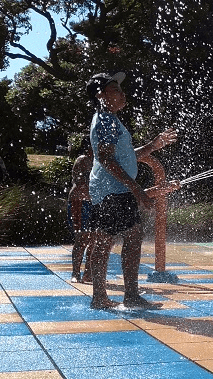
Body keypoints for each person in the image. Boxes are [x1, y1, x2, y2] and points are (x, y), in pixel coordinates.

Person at [85, 71, 178, 309]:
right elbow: (107, 160)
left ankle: (102, 297)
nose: (122, 93)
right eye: (115, 89)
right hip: (114, 190)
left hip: (109, 190)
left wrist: (153, 145)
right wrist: (137, 190)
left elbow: (126, 158)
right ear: (101, 95)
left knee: (108, 240)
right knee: (128, 238)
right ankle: (128, 296)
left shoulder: (109, 119)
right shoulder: (105, 120)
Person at [68, 135, 95, 283]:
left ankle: (88, 273)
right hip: (79, 202)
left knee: (94, 239)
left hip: (93, 203)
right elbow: (80, 182)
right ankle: (75, 272)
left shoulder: (100, 160)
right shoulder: (83, 160)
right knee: (82, 238)